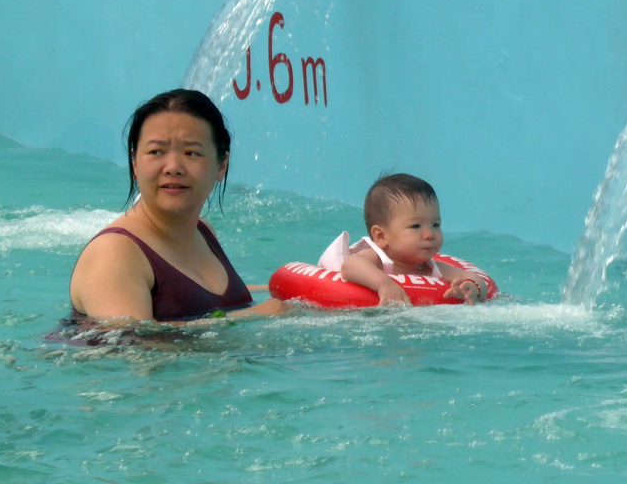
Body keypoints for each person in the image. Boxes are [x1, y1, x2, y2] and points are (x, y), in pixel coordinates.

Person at [68, 89, 290, 325]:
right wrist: (254, 315)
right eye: (156, 152)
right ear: (134, 165)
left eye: (191, 153)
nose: (173, 167)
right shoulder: (115, 253)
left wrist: (301, 292)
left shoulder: (202, 232)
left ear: (221, 165)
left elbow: (205, 302)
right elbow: (132, 347)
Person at [318, 173, 489, 306]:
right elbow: (350, 266)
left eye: (435, 224)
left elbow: (473, 276)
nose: (430, 234)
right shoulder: (376, 260)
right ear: (381, 236)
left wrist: (472, 287)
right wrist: (384, 284)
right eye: (415, 226)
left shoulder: (432, 268)